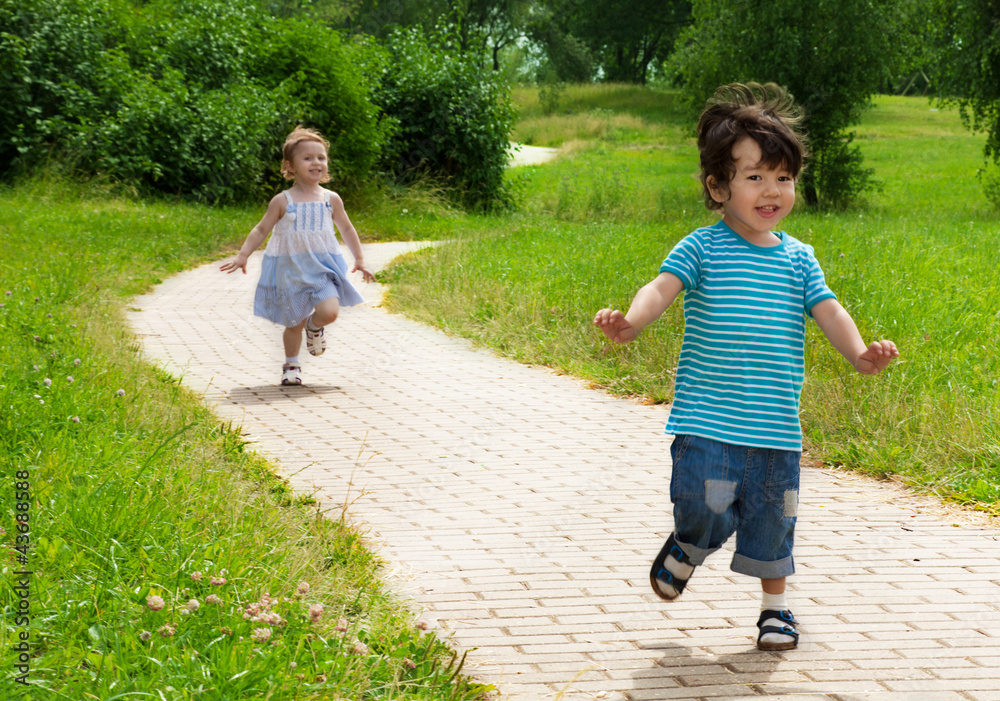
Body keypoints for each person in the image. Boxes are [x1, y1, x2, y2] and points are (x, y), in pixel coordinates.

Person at [593, 83, 899, 651]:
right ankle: (689, 545)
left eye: (782, 178)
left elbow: (829, 311)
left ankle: (775, 610)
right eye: (754, 177)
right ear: (718, 186)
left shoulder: (798, 257)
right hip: (709, 420)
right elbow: (659, 289)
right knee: (703, 509)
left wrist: (859, 354)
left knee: (773, 520)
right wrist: (631, 323)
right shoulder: (702, 249)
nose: (771, 191)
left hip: (776, 427)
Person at [221, 126, 375, 385]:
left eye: (321, 157)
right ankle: (291, 365)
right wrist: (243, 255)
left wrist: (359, 259)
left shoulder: (331, 199)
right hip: (291, 270)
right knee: (293, 323)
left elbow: (346, 228)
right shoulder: (282, 201)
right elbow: (261, 229)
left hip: (322, 268)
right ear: (290, 166)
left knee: (330, 312)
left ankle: (314, 327)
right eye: (308, 158)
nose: (317, 162)